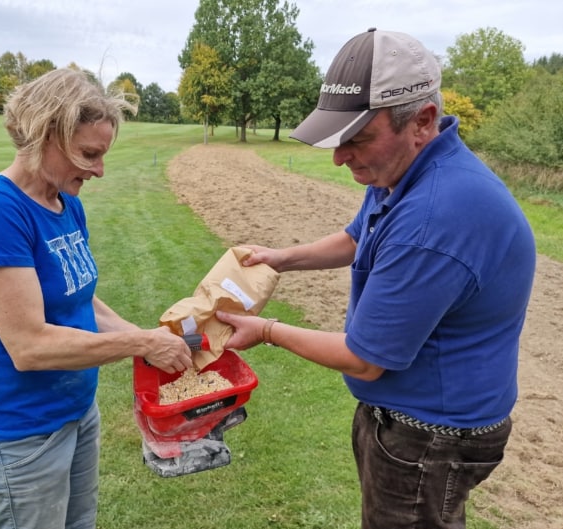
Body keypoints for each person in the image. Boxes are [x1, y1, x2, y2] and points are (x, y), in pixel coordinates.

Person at [215, 28, 536, 529]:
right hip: (415, 422)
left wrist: (267, 331)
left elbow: (365, 360)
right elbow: (356, 237)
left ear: (423, 120)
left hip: (431, 435)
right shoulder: (405, 171)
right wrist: (281, 258)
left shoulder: (437, 216)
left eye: (357, 139)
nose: (340, 158)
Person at [0, 68, 193, 529]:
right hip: (21, 434)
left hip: (77, 414)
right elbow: (29, 346)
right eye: (89, 154)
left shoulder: (66, 203)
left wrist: (151, 336)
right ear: (46, 135)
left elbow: (85, 303)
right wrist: (141, 345)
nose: (99, 169)